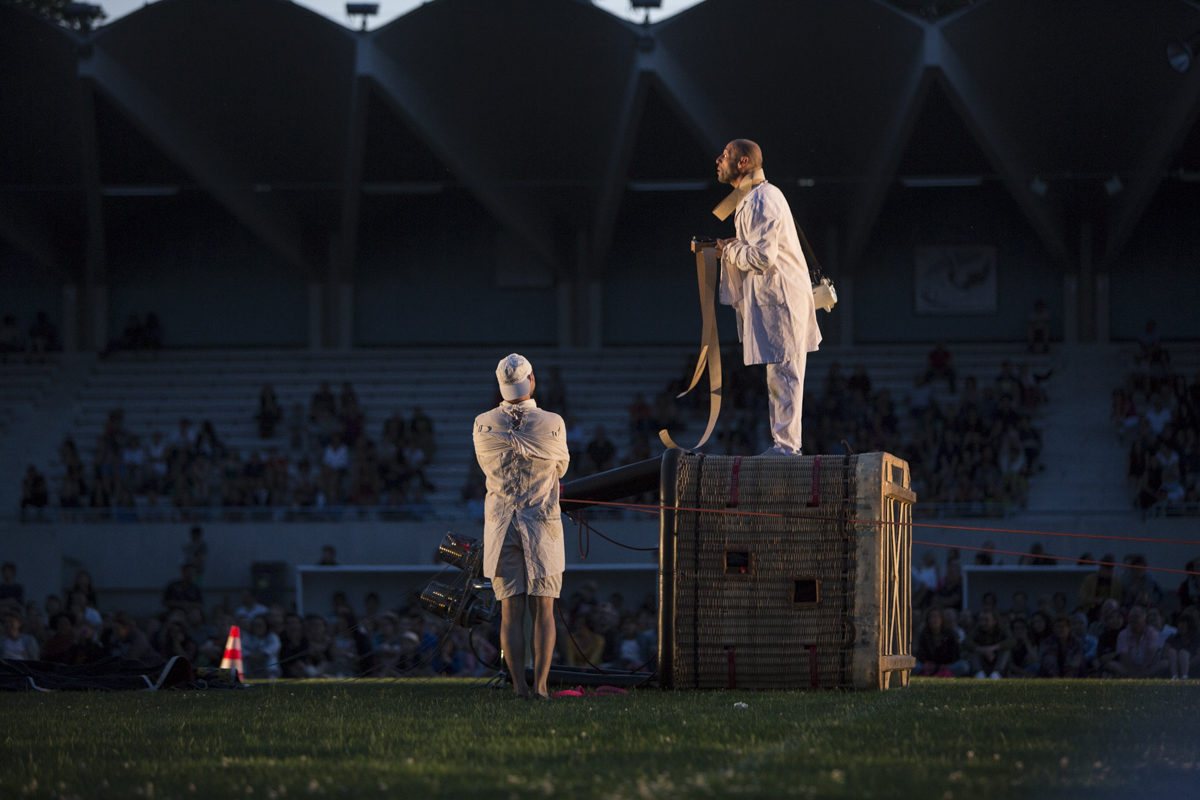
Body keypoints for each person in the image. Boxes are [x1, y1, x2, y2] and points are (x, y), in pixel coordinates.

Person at [713, 139, 821, 456]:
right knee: (779, 374)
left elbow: (762, 257)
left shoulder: (761, 198)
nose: (719, 160)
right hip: (778, 298)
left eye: (726, 155)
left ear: (743, 162)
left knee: (784, 374)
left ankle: (787, 449)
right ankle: (784, 446)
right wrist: (733, 247)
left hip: (782, 299)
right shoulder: (753, 198)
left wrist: (729, 251)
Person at [473, 353, 570, 699]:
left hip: (501, 526)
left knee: (510, 612)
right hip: (542, 524)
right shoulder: (553, 422)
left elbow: (484, 467)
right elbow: (562, 467)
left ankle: (519, 688)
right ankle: (541, 688)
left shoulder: (482, 423)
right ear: (531, 380)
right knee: (544, 610)